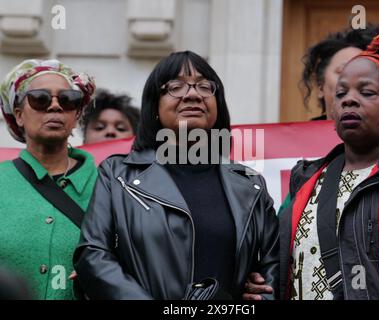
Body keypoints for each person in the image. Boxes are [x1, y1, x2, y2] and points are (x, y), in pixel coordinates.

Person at [73, 50, 280, 300]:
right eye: (175, 86)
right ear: (155, 107)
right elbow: (93, 254)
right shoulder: (117, 176)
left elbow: (272, 270)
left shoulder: (250, 184)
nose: (193, 94)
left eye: (205, 86)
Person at [257, 35, 379, 300]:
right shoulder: (306, 182)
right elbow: (273, 263)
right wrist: (261, 283)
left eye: (366, 92)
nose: (349, 100)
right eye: (341, 93)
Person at [0, 59, 96, 299]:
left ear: (76, 116)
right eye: (40, 99)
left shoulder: (109, 186)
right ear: (19, 115)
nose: (55, 107)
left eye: (67, 100)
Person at [301, 24, 379, 120]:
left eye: (364, 73)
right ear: (321, 88)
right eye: (343, 71)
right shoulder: (301, 135)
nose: (354, 78)